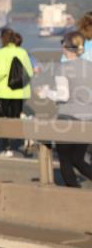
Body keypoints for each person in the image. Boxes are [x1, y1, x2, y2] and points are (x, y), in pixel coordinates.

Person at [37, 32, 92, 187]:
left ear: (66, 47)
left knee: (65, 159)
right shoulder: (90, 66)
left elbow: (63, 96)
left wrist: (46, 92)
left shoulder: (63, 68)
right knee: (78, 159)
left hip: (68, 118)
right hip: (88, 119)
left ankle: (73, 193)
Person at [0, 28, 34, 157]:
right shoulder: (22, 52)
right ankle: (28, 133)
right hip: (19, 92)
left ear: (2, 38)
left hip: (3, 92)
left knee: (3, 120)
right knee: (16, 118)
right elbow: (30, 72)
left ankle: (7, 148)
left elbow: (1, 71)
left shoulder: (0, 52)